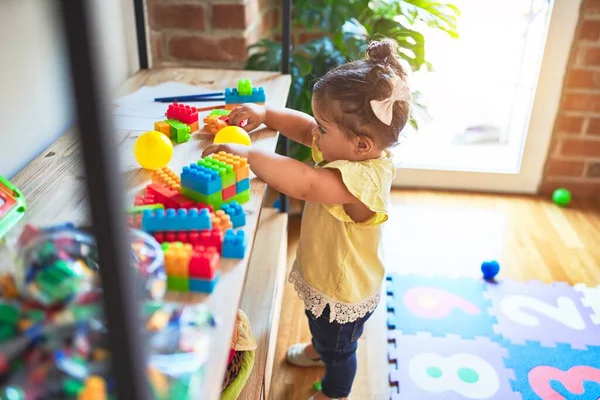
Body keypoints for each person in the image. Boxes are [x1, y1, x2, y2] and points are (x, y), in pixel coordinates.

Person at [203, 38, 411, 400]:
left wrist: (249, 155)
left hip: (344, 291)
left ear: (361, 145)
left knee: (341, 350)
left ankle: (335, 391)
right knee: (322, 329)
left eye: (323, 128)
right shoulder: (347, 148)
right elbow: (303, 129)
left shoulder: (363, 179)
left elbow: (305, 182)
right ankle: (320, 349)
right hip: (326, 275)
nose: (316, 133)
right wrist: (266, 114)